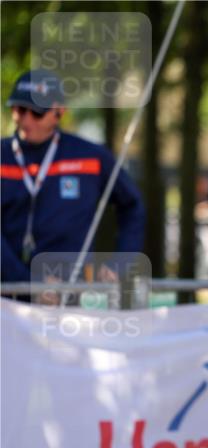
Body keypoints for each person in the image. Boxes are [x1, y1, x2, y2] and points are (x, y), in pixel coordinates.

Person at [1, 70, 146, 287]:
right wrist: (29, 283)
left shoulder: (91, 157)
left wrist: (120, 263)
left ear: (60, 111)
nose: (27, 120)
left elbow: (133, 206)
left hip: (72, 293)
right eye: (20, 110)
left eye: (37, 113)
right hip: (9, 294)